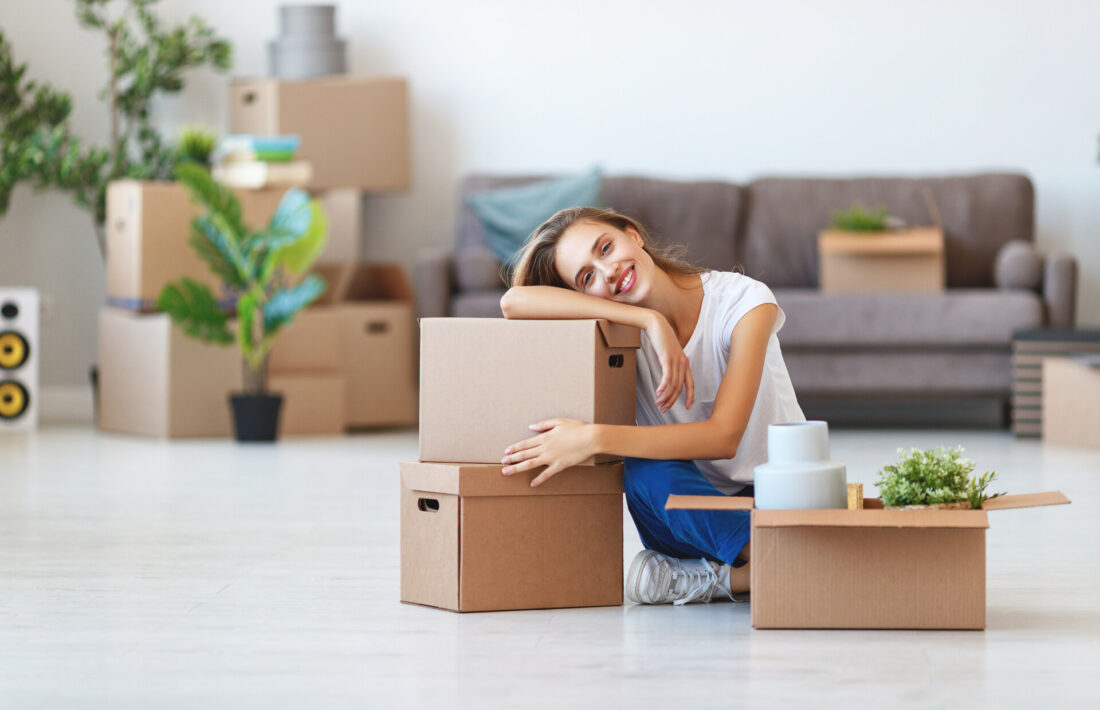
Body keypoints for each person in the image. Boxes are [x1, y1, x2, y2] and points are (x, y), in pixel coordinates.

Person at [498, 206, 805, 605]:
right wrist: (648, 321)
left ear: (633, 235)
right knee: (643, 473)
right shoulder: (620, 334)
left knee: (630, 452)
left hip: (773, 496)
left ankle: (728, 578)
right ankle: (784, 562)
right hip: (688, 517)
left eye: (606, 248)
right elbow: (513, 302)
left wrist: (593, 438)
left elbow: (723, 438)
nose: (607, 272)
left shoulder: (744, 301)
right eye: (587, 277)